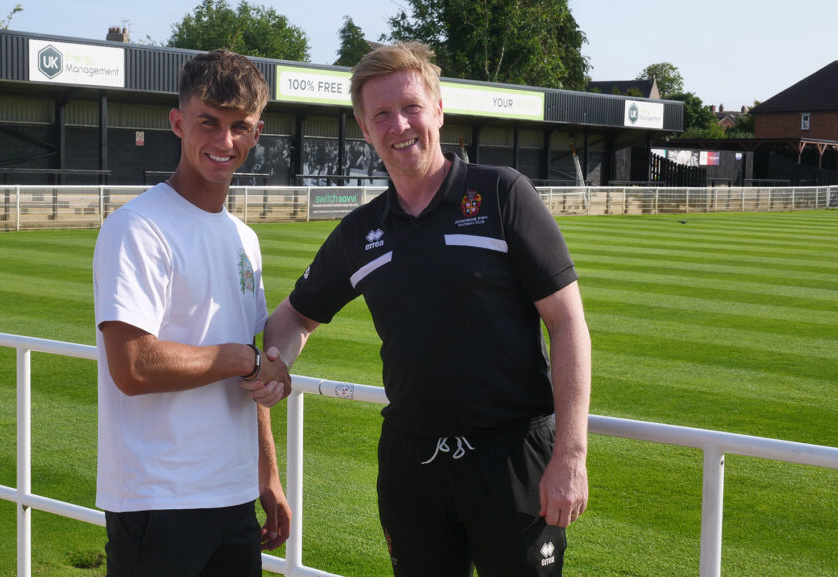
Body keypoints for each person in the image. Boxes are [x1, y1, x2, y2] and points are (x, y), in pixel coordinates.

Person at [259, 42, 591, 577]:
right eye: (381, 115)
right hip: (411, 465)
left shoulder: (502, 195)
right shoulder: (362, 231)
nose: (399, 125)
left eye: (411, 107)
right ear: (365, 130)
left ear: (438, 109)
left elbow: (568, 322)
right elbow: (296, 316)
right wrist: (274, 360)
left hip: (510, 459)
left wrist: (570, 457)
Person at [92, 49, 291, 577]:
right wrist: (239, 358)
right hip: (157, 500)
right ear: (179, 123)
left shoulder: (243, 238)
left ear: (256, 133)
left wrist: (267, 474)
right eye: (210, 123)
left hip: (232, 495)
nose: (225, 142)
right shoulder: (138, 227)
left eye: (239, 127)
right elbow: (132, 367)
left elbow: (253, 364)